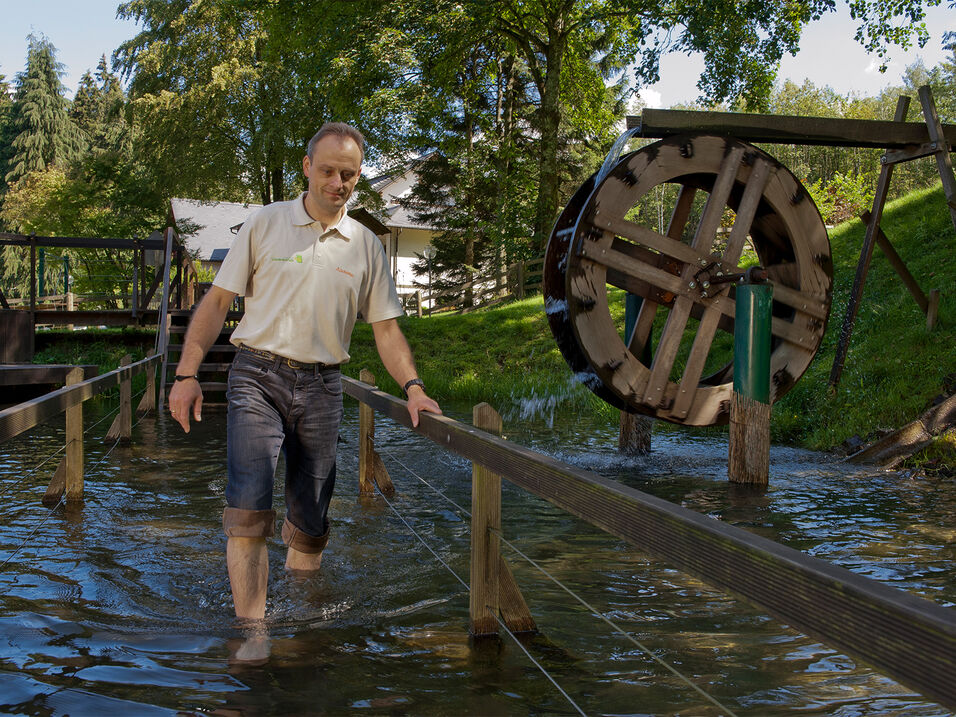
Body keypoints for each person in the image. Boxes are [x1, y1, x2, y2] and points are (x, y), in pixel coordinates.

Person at [167, 122, 441, 621]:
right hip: (257, 375)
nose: (339, 183)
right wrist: (186, 375)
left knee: (311, 521)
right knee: (248, 509)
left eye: (350, 174)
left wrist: (414, 388)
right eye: (330, 171)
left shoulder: (364, 245)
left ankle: (295, 615)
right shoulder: (265, 223)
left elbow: (386, 331)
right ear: (307, 167)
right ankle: (253, 634)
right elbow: (217, 302)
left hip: (323, 387)